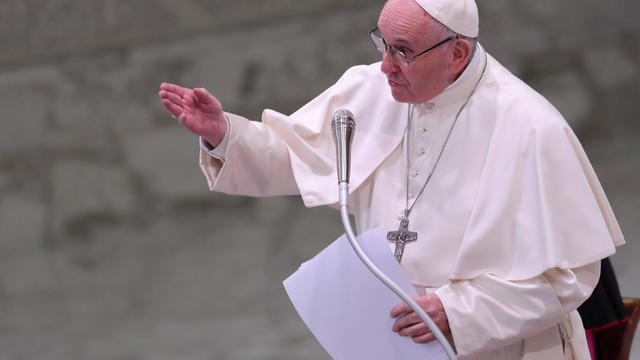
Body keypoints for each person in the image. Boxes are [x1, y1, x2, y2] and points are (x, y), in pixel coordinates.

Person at [158, 0, 625, 358]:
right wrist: (224, 135)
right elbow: (298, 156)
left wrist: (459, 313)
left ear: (457, 53)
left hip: (503, 348)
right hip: (391, 339)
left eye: (403, 51)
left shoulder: (530, 126)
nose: (385, 65)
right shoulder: (373, 88)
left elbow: (569, 276)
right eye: (382, 43)